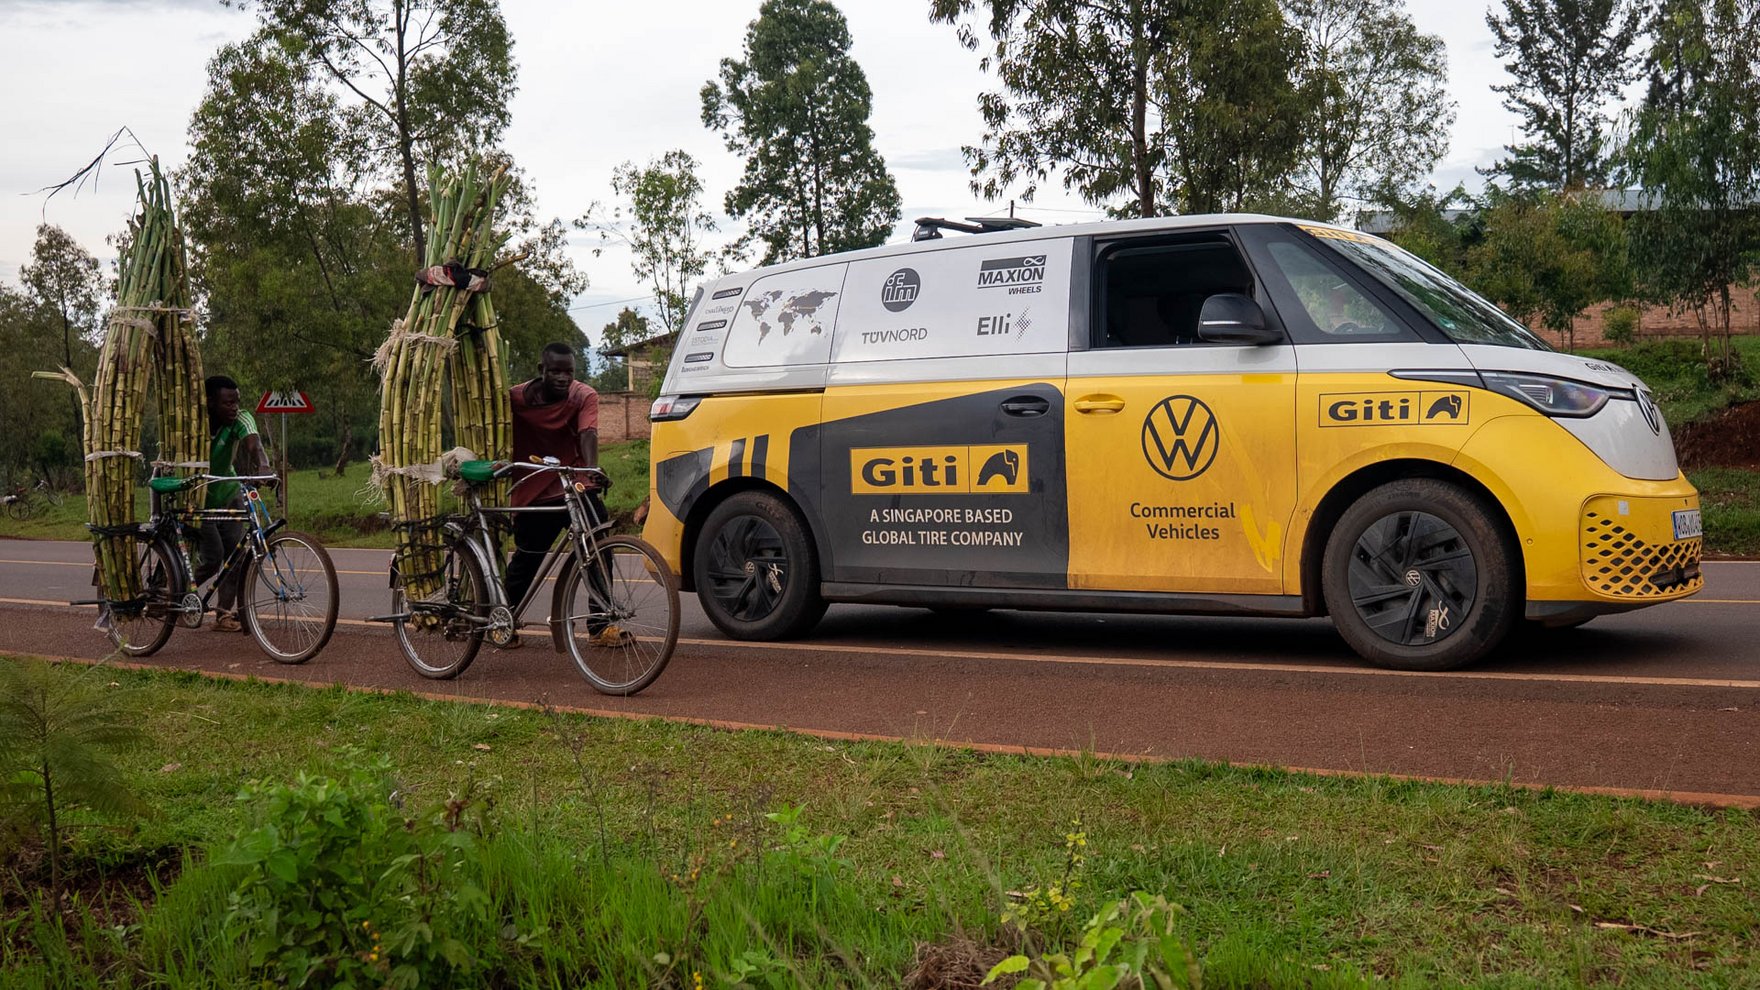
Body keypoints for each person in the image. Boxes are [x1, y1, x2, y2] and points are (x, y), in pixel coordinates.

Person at [503, 343, 623, 647]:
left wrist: (592, 468)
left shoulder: (583, 396)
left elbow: (588, 433)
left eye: (568, 372)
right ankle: (502, 618)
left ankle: (600, 626)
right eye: (555, 371)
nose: (562, 378)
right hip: (533, 489)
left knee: (599, 548)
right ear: (541, 370)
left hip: (575, 484)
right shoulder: (514, 398)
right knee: (527, 560)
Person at [196, 375, 271, 632]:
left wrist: (264, 466)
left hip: (227, 492)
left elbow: (254, 443)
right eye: (227, 403)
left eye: (236, 402)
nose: (234, 408)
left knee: (237, 557)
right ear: (210, 403)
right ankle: (175, 593)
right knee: (212, 558)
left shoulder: (240, 419)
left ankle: (223, 613)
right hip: (197, 498)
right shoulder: (191, 425)